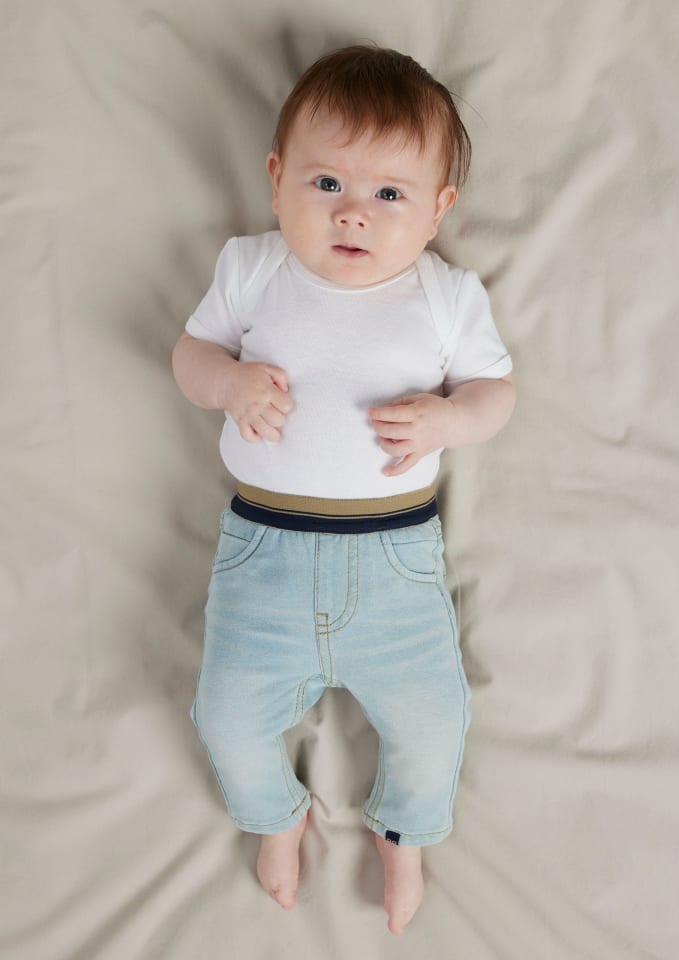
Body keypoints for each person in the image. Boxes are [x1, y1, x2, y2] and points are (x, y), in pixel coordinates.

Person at [172, 44, 515, 935]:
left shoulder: (445, 297)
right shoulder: (252, 269)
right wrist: (227, 383)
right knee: (224, 715)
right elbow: (190, 355)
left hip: (396, 563)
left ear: (438, 210)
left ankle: (404, 834)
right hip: (263, 556)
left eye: (390, 194)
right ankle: (275, 818)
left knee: (436, 720)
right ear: (276, 179)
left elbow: (495, 394)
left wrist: (448, 421)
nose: (353, 212)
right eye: (326, 183)